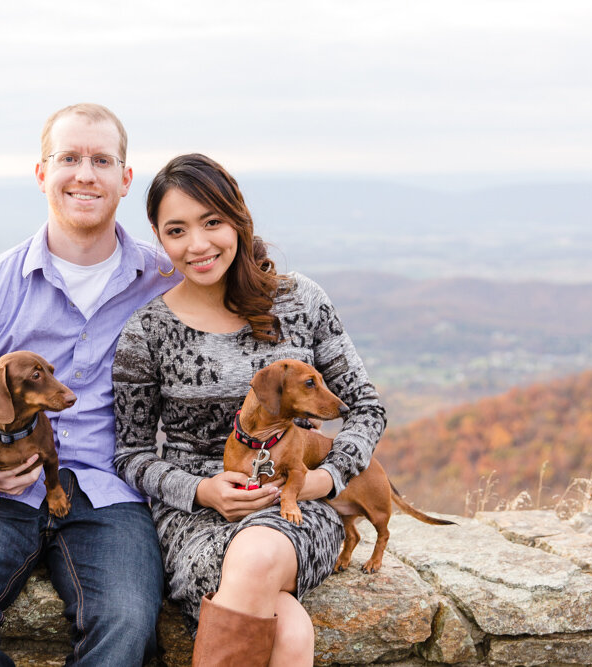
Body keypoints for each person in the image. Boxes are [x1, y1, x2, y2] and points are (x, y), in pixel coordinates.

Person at [0, 103, 179, 666]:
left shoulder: (161, 280)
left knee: (127, 622)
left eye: (101, 159)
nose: (84, 173)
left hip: (109, 491)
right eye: (68, 157)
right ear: (43, 173)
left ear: (124, 177)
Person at [112, 153, 387, 666]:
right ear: (159, 237)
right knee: (291, 635)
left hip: (297, 507)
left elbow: (367, 408)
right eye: (177, 230)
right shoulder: (146, 331)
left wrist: (324, 480)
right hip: (193, 517)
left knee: (260, 555)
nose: (197, 244)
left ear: (238, 218)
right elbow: (129, 453)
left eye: (212, 222)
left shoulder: (301, 301)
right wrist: (199, 489)